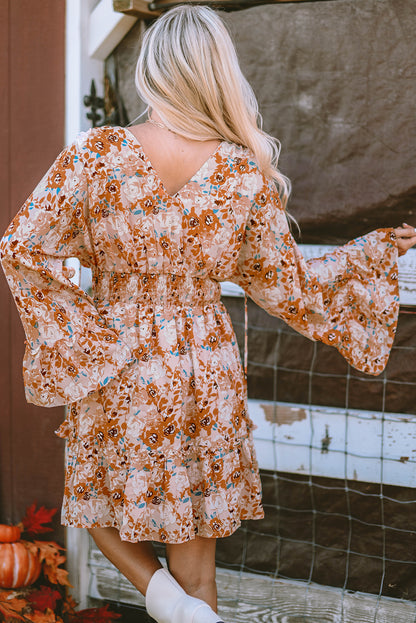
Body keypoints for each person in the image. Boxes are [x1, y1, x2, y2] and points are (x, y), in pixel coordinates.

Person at [1, 5, 415, 623]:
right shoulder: (241, 173)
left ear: (152, 71)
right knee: (197, 554)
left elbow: (22, 247)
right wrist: (374, 253)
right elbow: (291, 286)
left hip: (120, 361)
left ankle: (171, 605)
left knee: (94, 504)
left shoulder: (96, 155)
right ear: (218, 74)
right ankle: (191, 608)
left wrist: (81, 337)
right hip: (205, 369)